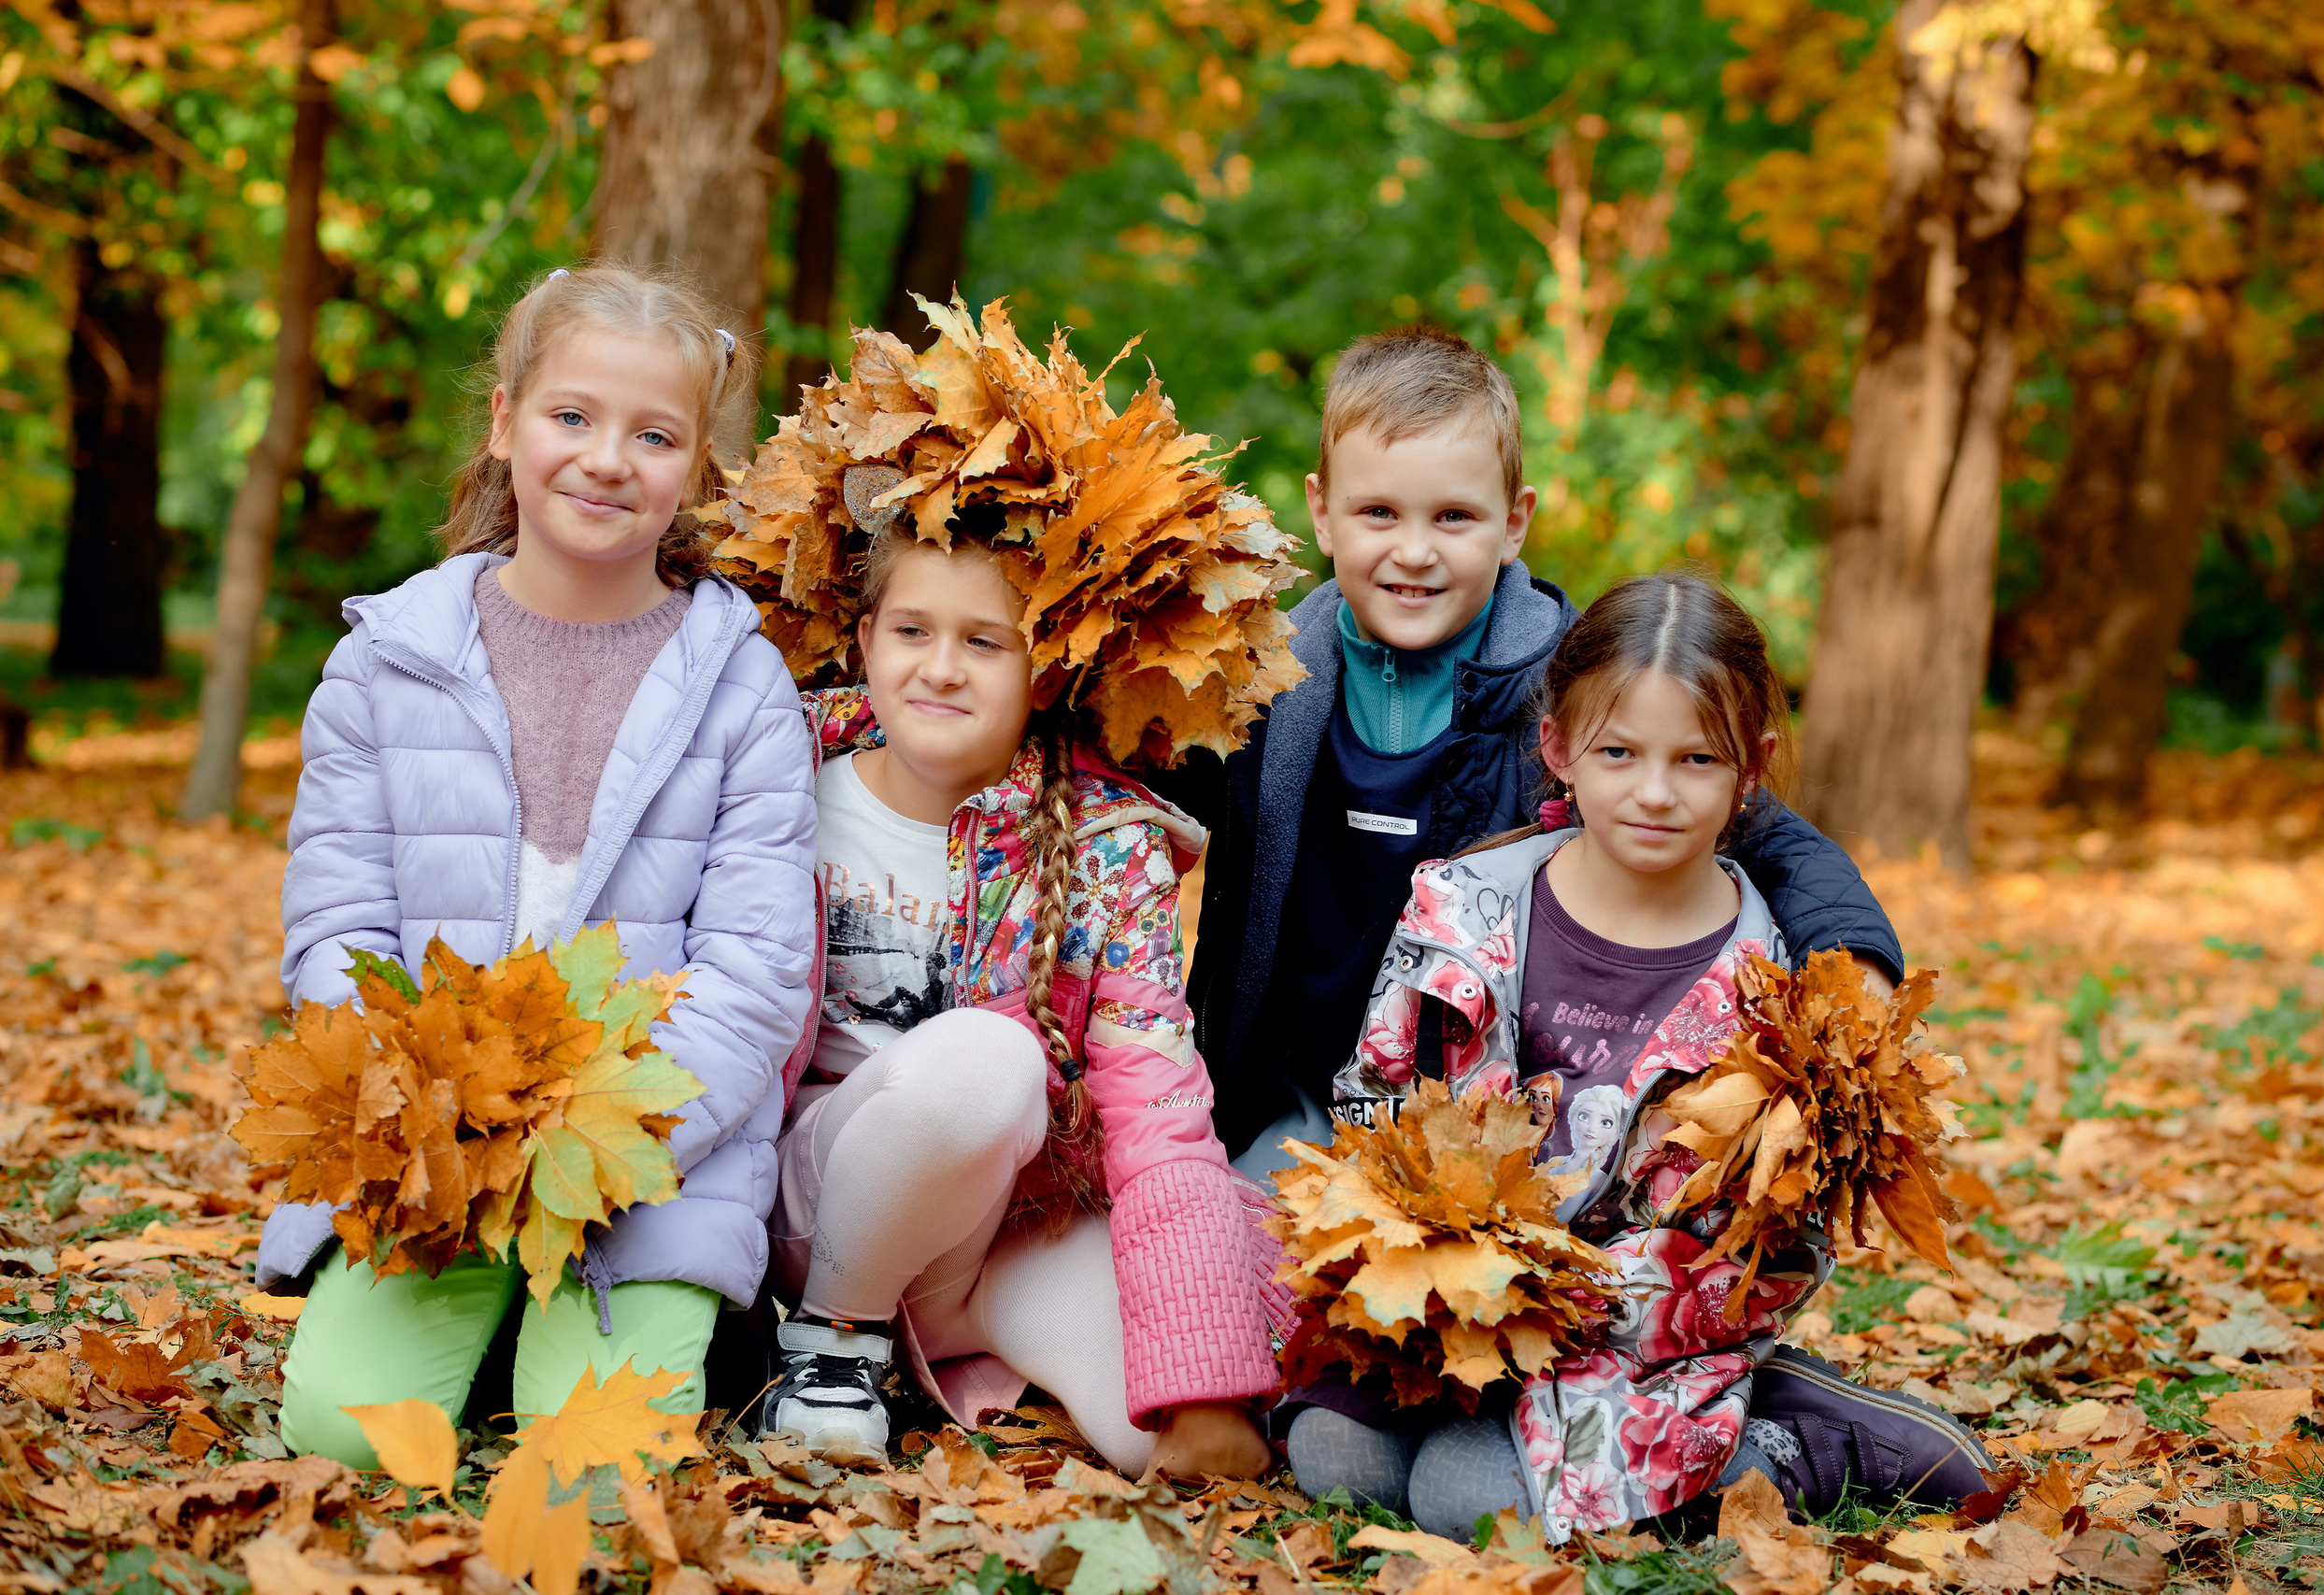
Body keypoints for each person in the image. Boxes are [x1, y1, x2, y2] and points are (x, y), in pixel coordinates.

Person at [255, 263, 817, 1469]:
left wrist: (599, 1145)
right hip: (431, 1160)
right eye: (571, 417)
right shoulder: (384, 663)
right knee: (340, 1441)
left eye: (654, 434)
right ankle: (476, 1324)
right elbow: (335, 928)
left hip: (640, 1173)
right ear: (506, 423)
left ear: (694, 470)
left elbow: (757, 973)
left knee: (598, 1470)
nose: (607, 459)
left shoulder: (743, 685)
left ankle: (598, 1342)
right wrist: (439, 1127)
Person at [1292, 574, 1989, 1539]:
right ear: (1558, 749)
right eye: (1617, 752)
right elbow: (1371, 1096)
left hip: (1638, 1334)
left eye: (1696, 759)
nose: (1654, 792)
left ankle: (1801, 1444)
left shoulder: (1774, 993)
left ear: (1751, 770)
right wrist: (1412, 1248)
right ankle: (1728, 1412)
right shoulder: (1462, 910)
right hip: (1451, 1306)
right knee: (1334, 1461)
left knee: (1461, 1502)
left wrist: (1560, 1300)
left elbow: (1776, 1245)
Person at [1161, 328, 1905, 1184]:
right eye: (1379, 513)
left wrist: (1853, 966)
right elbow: (1130, 786)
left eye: (1454, 516)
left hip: (1495, 1122)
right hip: (1293, 1097)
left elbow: (1762, 827)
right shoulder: (1253, 677)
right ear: (1322, 512)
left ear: (1514, 522)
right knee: (1244, 1278)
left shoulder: (1572, 684)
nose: (1413, 550)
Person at [755, 532, 1279, 1480]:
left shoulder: (1109, 844)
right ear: (866, 639)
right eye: (912, 630)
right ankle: (832, 1347)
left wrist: (1202, 1386)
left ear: (1043, 673)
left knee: (1173, 1435)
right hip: (814, 1201)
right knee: (987, 1059)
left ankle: (924, 1346)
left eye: (985, 642)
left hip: (1002, 1228)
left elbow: (1156, 1108)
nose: (942, 668)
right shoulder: (776, 781)